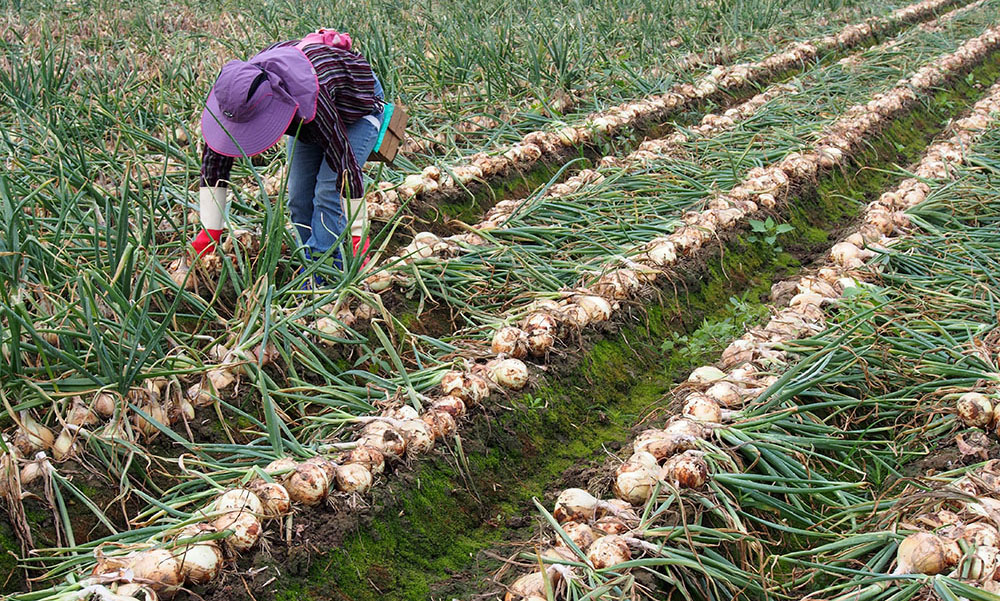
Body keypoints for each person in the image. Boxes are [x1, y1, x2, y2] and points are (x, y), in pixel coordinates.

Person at [192, 30, 383, 274]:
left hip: (355, 104)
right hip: (311, 108)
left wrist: (358, 233)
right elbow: (214, 162)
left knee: (327, 192)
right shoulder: (235, 97)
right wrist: (210, 232)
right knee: (299, 197)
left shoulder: (310, 94)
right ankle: (314, 258)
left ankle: (322, 269)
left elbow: (344, 165)